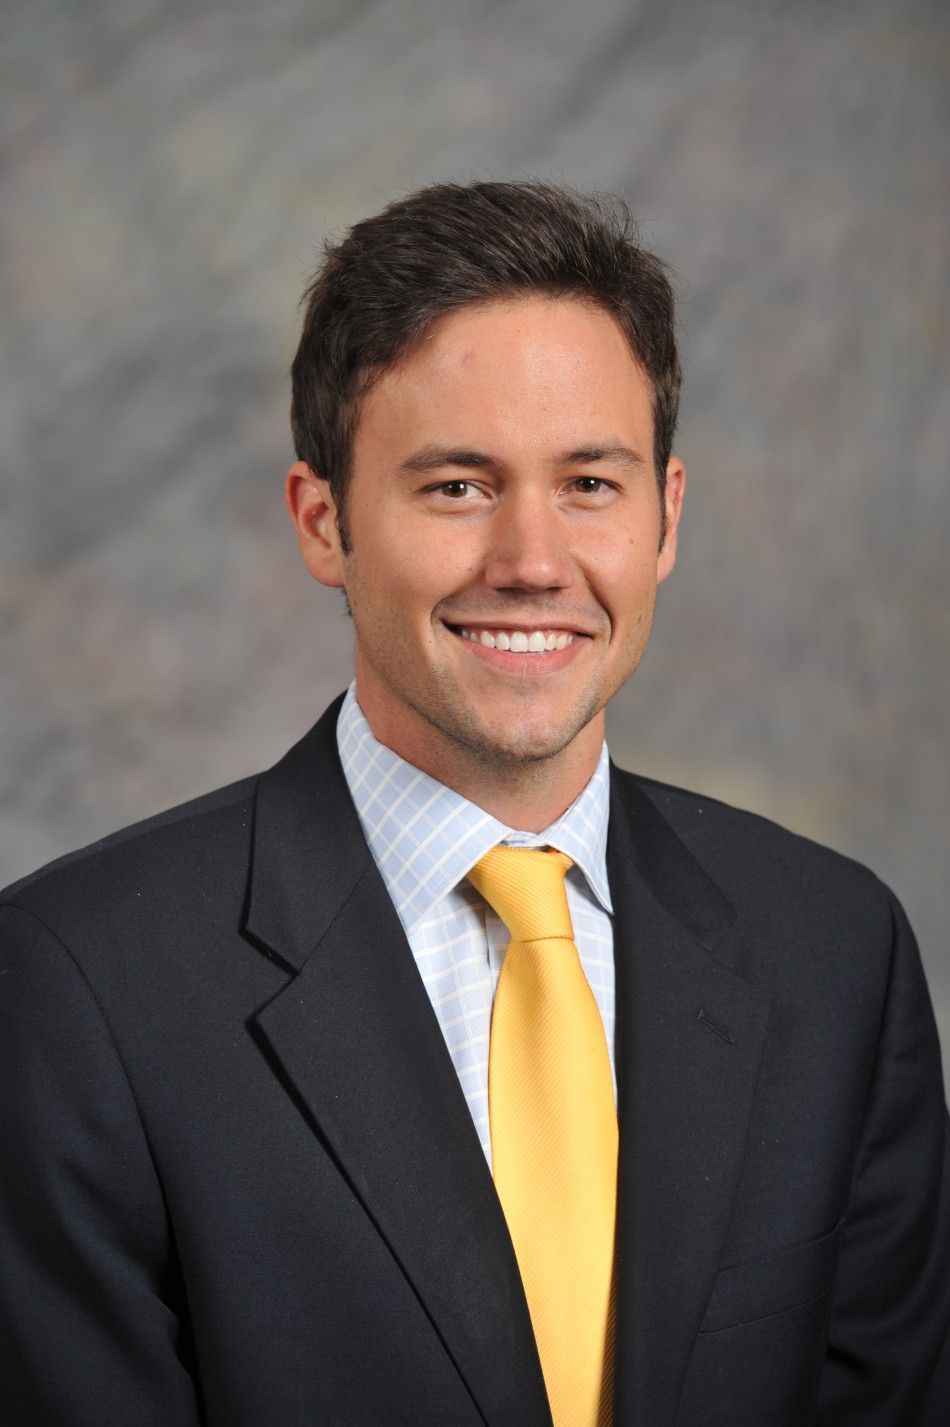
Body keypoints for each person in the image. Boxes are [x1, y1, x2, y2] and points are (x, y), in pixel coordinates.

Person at [1, 181, 947, 1427]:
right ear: (323, 521)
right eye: (456, 486)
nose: (533, 562)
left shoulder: (834, 949)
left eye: (589, 483)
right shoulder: (78, 987)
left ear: (665, 516)